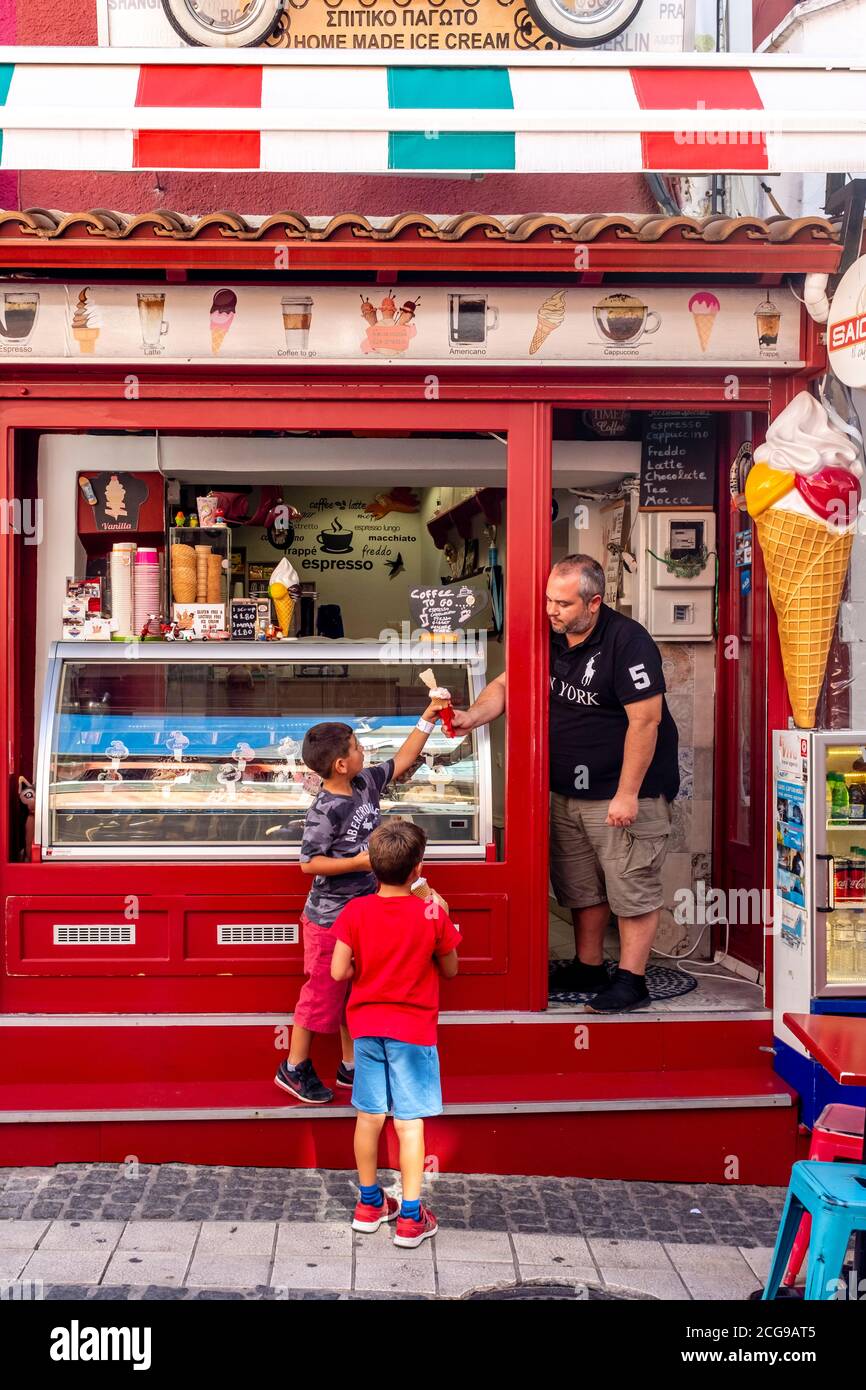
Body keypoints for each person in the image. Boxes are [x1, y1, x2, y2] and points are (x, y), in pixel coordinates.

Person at [451, 553, 679, 1014]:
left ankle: (633, 979)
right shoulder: (549, 637)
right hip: (565, 788)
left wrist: (628, 794)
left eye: (563, 604)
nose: (551, 611)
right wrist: (471, 716)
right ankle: (589, 966)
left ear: (594, 602)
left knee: (629, 886)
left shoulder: (627, 642)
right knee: (580, 887)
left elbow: (646, 722)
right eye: (548, 601)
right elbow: (506, 683)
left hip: (621, 790)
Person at [275, 697, 448, 1104]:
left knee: (356, 989)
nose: (363, 751)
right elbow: (309, 864)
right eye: (356, 746)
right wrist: (358, 861)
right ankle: (294, 1067)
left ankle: (351, 1066)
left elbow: (403, 760)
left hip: (365, 913)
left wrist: (427, 717)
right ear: (339, 764)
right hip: (329, 919)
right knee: (321, 994)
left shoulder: (366, 782)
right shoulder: (324, 809)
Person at [331, 819, 460, 1247]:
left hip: (367, 1027)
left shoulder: (356, 911)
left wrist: (360, 967)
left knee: (369, 1117)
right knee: (409, 1124)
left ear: (373, 867)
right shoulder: (430, 912)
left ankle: (369, 1205)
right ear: (417, 867)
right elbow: (451, 968)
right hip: (413, 1030)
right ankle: (409, 1216)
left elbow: (336, 971)